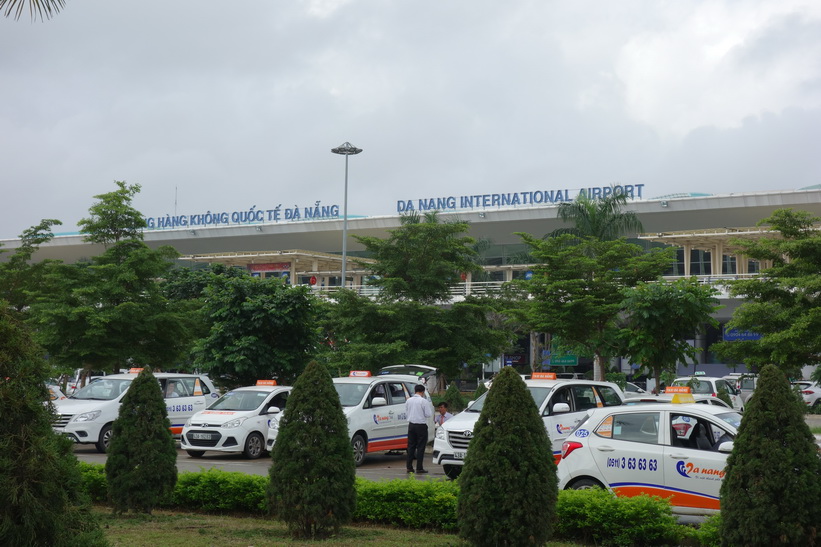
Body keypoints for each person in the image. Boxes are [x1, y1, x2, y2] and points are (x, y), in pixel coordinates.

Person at [406, 384, 433, 474]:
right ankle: (419, 467)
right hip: (421, 425)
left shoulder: (408, 400)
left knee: (411, 446)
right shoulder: (423, 401)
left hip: (411, 425)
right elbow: (428, 414)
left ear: (415, 391)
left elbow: (406, 412)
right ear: (423, 392)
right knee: (421, 447)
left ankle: (409, 467)